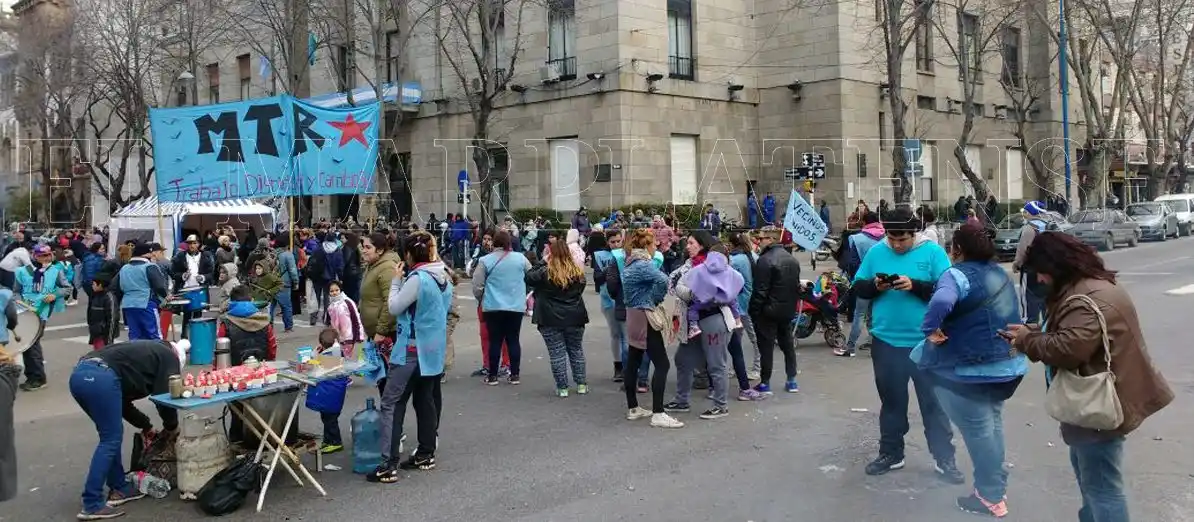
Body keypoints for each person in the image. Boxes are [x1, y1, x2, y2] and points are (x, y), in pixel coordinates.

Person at [1006, 232, 1173, 522]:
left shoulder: (1083, 299)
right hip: (1104, 399)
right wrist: (1035, 332)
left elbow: (1068, 349)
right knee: (1091, 478)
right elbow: (1073, 335)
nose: (1040, 280)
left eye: (1041, 273)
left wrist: (1025, 340)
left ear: (1056, 267)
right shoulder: (1092, 285)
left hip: (1098, 407)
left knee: (1102, 488)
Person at [915, 223, 1027, 517]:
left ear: (957, 249)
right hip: (1009, 367)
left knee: (979, 431)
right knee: (992, 425)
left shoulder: (956, 274)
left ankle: (990, 495)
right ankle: (994, 487)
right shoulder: (999, 273)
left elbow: (941, 300)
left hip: (972, 372)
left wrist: (929, 328)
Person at [851, 206, 962, 481]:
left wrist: (915, 285)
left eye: (903, 239)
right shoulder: (877, 251)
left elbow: (950, 293)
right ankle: (891, 454)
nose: (897, 245)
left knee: (933, 404)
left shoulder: (933, 253)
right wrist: (876, 286)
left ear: (915, 233)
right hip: (887, 342)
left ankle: (944, 459)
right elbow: (858, 287)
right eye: (893, 239)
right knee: (891, 403)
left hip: (927, 343)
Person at [69, 340, 183, 520]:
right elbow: (164, 397)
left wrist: (145, 425)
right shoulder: (168, 357)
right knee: (110, 439)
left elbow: (123, 404)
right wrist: (172, 427)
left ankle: (119, 487)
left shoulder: (144, 352)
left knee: (110, 435)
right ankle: (91, 503)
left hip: (79, 376)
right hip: (101, 377)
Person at [371, 231, 452, 482]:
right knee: (425, 400)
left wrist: (396, 282)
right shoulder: (443, 275)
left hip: (410, 350)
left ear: (409, 254)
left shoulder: (418, 279)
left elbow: (395, 307)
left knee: (392, 404)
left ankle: (388, 464)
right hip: (433, 348)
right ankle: (426, 453)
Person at [668, 240, 743, 419]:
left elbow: (680, 288)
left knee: (716, 363)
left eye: (692, 242)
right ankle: (682, 400)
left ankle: (720, 405)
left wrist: (697, 295)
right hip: (702, 321)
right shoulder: (725, 273)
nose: (687, 246)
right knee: (684, 359)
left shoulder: (703, 271)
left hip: (713, 320)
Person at [620, 228, 683, 429]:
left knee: (634, 360)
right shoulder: (643, 264)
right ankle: (658, 413)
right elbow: (664, 280)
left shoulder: (629, 262)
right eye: (654, 244)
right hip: (644, 315)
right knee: (662, 364)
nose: (655, 247)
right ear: (646, 245)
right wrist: (654, 298)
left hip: (633, 315)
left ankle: (633, 408)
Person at [526, 238, 589, 397]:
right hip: (575, 316)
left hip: (549, 317)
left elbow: (528, 277)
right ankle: (581, 384)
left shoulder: (545, 272)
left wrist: (543, 261)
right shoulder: (577, 272)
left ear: (550, 254)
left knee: (556, 353)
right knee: (576, 350)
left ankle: (562, 388)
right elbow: (579, 290)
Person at [748, 226, 802, 395]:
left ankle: (765, 382)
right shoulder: (792, 260)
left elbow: (760, 290)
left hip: (768, 311)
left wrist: (754, 310)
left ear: (770, 240)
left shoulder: (765, 260)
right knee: (787, 345)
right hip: (787, 309)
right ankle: (791, 380)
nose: (759, 241)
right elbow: (796, 286)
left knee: (766, 347)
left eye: (762, 238)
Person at [472, 230, 530, 386]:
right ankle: (515, 374)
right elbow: (531, 275)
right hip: (515, 306)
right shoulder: (520, 258)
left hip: (493, 305)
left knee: (495, 340)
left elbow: (477, 285)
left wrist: (481, 298)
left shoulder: (485, 260)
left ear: (494, 242)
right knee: (513, 339)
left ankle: (492, 376)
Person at [14, 245, 72, 391]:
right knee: (27, 346)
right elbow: (15, 292)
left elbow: (67, 288)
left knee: (32, 345)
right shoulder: (22, 271)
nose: (46, 258)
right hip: (24, 313)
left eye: (48, 255)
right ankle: (33, 376)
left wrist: (55, 294)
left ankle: (38, 378)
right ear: (35, 256)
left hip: (41, 313)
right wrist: (20, 303)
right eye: (43, 255)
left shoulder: (55, 271)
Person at [839, 212, 884, 356]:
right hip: (882, 281)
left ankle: (850, 347)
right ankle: (874, 344)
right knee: (874, 314)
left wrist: (853, 278)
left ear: (864, 223)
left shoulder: (857, 239)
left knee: (859, 314)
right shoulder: (886, 238)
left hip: (864, 281)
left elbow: (852, 263)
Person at [112, 243, 169, 342]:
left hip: (128, 305)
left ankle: (137, 356)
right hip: (146, 303)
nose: (153, 255)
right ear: (145, 254)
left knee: (134, 336)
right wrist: (166, 296)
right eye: (151, 253)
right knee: (154, 335)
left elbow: (114, 287)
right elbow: (159, 286)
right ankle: (156, 356)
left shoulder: (124, 268)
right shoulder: (150, 267)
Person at [726, 233, 762, 386]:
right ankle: (756, 367)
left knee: (736, 338)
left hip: (739, 304)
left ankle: (737, 367)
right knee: (754, 337)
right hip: (753, 302)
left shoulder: (734, 260)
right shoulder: (754, 255)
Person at [591, 230, 627, 381]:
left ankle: (628, 366)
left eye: (618, 241)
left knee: (626, 334)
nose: (616, 244)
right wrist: (610, 269)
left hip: (624, 298)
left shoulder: (626, 254)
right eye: (612, 242)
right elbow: (597, 278)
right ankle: (618, 366)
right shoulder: (600, 256)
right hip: (608, 299)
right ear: (607, 242)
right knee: (615, 333)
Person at [360, 232, 400, 348]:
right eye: (363, 247)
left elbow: (390, 302)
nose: (363, 250)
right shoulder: (372, 265)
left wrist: (381, 331)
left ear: (380, 250)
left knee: (385, 365)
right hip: (374, 331)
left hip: (385, 333)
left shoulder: (387, 268)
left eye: (368, 247)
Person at [1013, 200, 1049, 324]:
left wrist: (1017, 264)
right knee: (1047, 305)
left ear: (1030, 213)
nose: (1024, 214)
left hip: (1031, 272)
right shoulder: (1050, 226)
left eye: (1025, 211)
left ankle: (1030, 332)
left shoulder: (1029, 228)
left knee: (1029, 304)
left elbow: (1023, 249)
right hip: (1049, 271)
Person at [315, 328, 348, 454]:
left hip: (330, 393)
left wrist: (315, 355)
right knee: (328, 417)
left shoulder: (330, 357)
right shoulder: (337, 353)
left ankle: (335, 441)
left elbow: (315, 364)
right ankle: (328, 439)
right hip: (332, 393)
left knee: (330, 418)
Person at [170, 234, 215, 321]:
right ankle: (185, 334)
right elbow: (173, 273)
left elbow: (211, 274)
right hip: (185, 290)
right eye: (189, 243)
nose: (191, 245)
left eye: (194, 243)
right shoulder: (180, 256)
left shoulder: (206, 256)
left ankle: (196, 334)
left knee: (198, 315)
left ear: (198, 244)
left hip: (200, 290)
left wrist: (202, 277)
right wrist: (183, 276)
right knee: (186, 316)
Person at [326, 280, 365, 360]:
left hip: (349, 336)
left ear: (340, 290)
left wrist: (359, 336)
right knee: (339, 357)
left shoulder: (347, 302)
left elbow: (356, 319)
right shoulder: (330, 306)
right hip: (337, 338)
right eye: (332, 291)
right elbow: (328, 322)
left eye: (337, 290)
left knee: (346, 357)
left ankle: (347, 370)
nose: (334, 293)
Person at [273, 235, 300, 332]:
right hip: (284, 283)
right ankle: (288, 327)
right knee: (286, 306)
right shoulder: (288, 255)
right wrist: (296, 282)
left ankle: (269, 327)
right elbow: (292, 270)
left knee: (271, 307)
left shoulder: (272, 253)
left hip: (271, 283)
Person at [87, 277, 119, 351]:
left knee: (103, 354)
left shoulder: (109, 298)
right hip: (96, 333)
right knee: (97, 353)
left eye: (94, 284)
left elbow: (112, 319)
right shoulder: (94, 296)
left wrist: (109, 339)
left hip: (104, 335)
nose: (92, 286)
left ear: (100, 285)